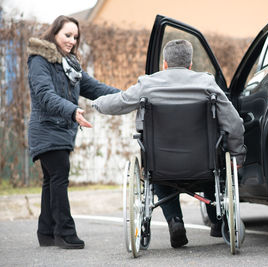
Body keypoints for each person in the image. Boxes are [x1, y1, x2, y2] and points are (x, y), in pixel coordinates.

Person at [92, 39, 246, 248]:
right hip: (203, 166)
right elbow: (234, 124)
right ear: (190, 64)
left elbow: (117, 103)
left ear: (164, 63)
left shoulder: (147, 84)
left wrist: (95, 104)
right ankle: (218, 222)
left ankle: (175, 221)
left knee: (157, 173)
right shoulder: (207, 84)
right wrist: (237, 155)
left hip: (162, 169)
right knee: (216, 166)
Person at [27, 15, 120, 249]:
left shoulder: (71, 65)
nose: (72, 41)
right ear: (54, 33)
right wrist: (72, 110)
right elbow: (44, 95)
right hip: (46, 128)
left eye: (75, 37)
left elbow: (96, 88)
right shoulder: (40, 60)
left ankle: (46, 232)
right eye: (67, 35)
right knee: (59, 176)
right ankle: (65, 233)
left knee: (52, 180)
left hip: (62, 131)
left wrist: (127, 96)